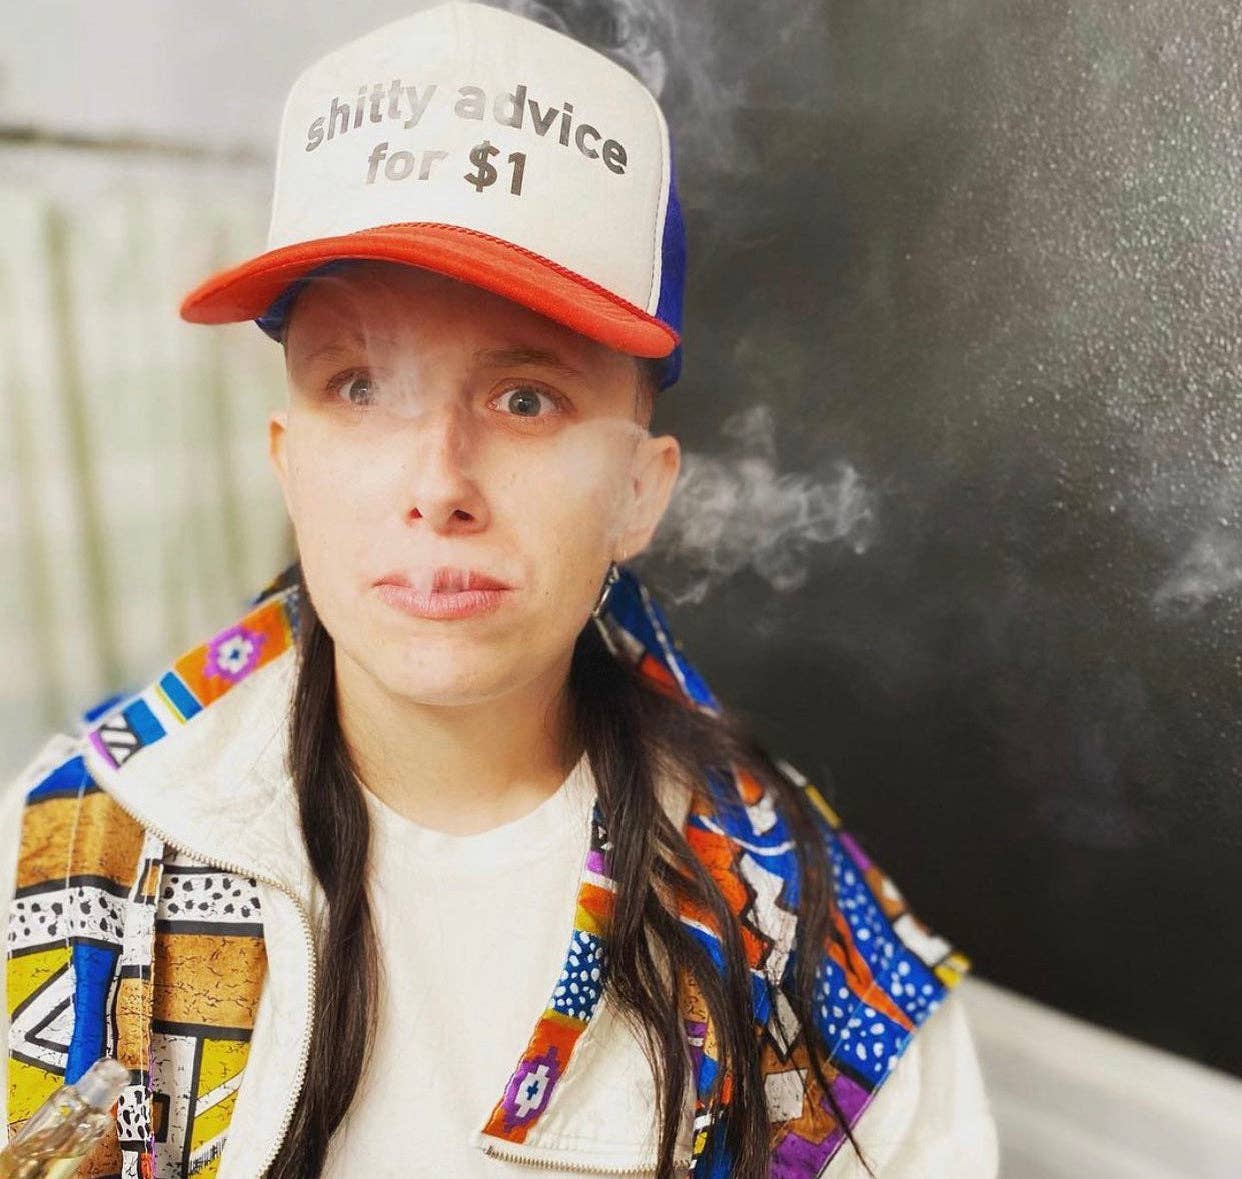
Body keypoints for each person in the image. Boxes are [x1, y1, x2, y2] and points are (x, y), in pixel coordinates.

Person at [1, 3, 999, 1177]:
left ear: (638, 491)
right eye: (359, 385)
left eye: (527, 398)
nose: (438, 485)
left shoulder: (807, 943)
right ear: (288, 461)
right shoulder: (74, 845)